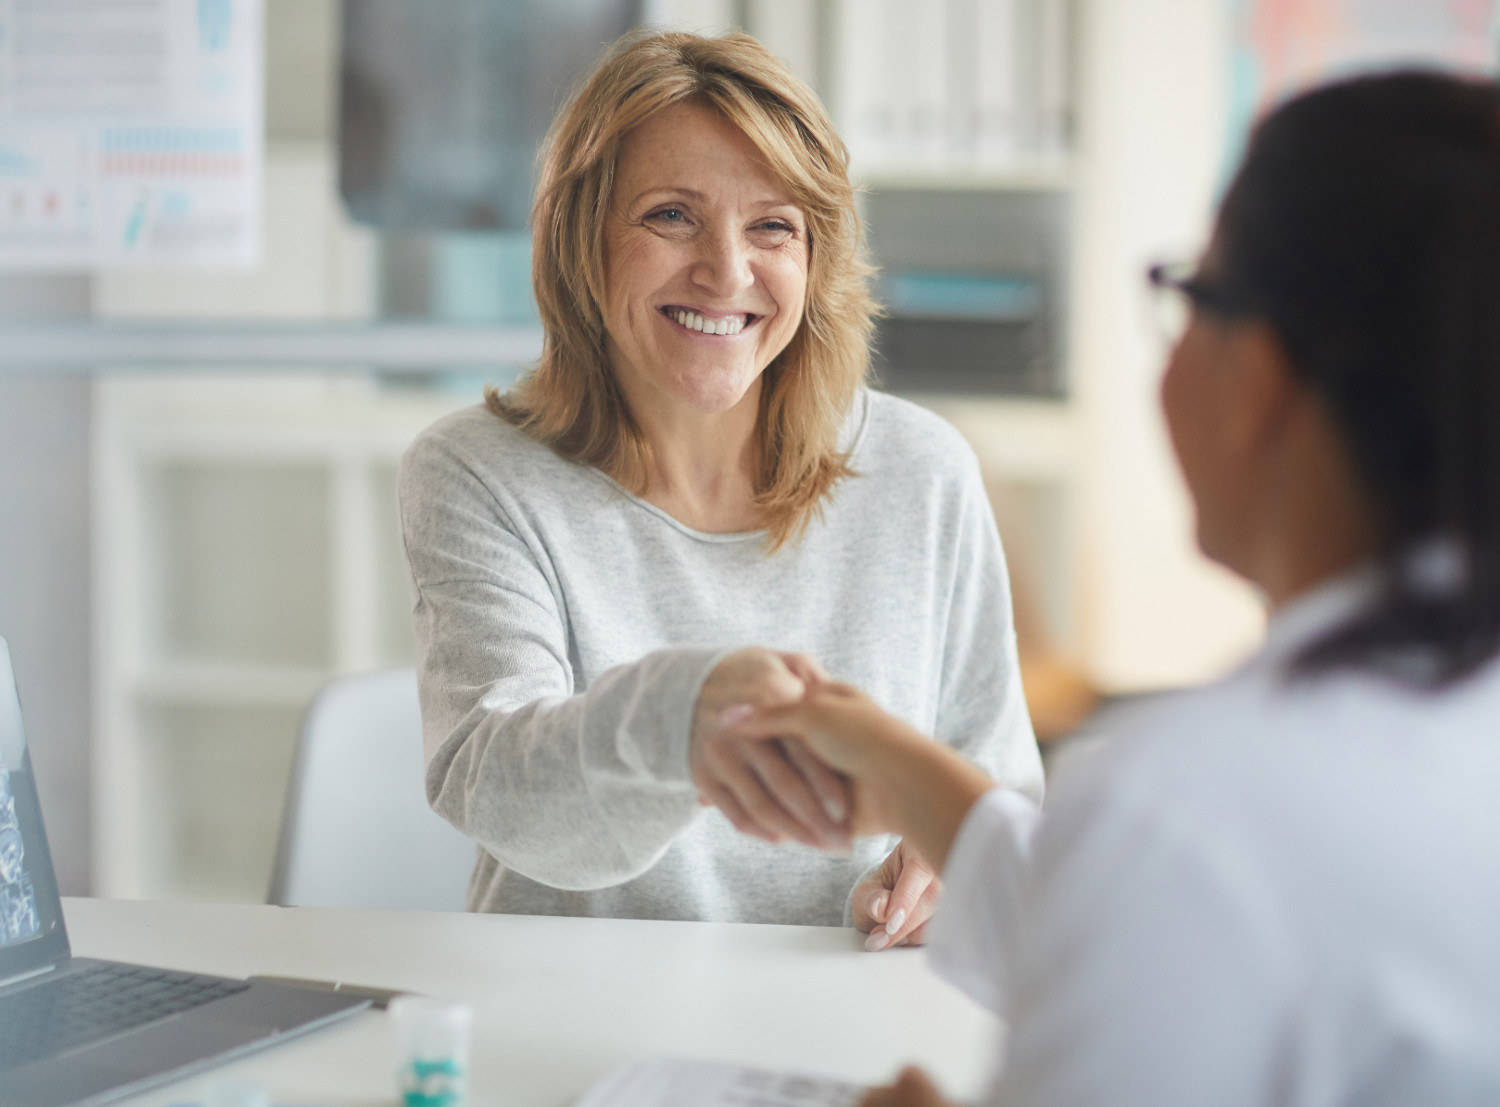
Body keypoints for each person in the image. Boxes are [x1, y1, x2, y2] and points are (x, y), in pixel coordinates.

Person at [728, 71, 1500, 1104]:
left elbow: (1174, 894)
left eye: (1192, 295)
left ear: (1260, 381)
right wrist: (908, 770)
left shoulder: (1188, 806)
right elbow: (1158, 922)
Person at [397, 30, 1043, 938]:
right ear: (583, 240)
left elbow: (999, 793)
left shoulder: (924, 471)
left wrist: (946, 861)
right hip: (580, 1029)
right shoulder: (477, 474)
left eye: (772, 226)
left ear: (815, 259)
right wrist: (682, 722)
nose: (727, 271)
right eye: (670, 216)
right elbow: (501, 788)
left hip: (847, 1027)